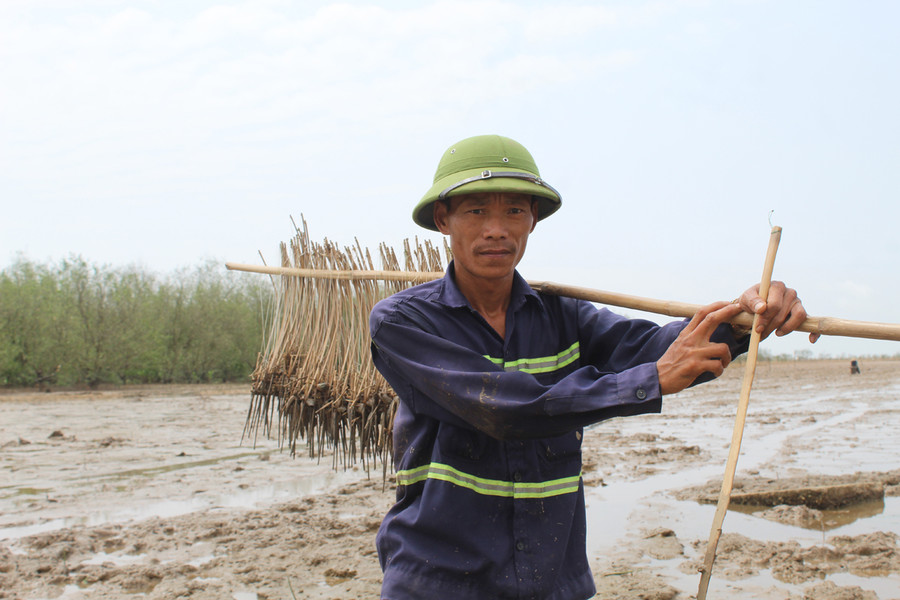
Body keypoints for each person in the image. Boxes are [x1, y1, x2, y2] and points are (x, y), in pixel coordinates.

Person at [368, 134, 818, 600]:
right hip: (438, 584)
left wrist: (743, 319)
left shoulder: (563, 316)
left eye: (515, 211)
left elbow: (659, 348)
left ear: (533, 220)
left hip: (551, 583)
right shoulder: (403, 322)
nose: (496, 229)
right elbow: (503, 408)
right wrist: (650, 381)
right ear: (444, 219)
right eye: (476, 211)